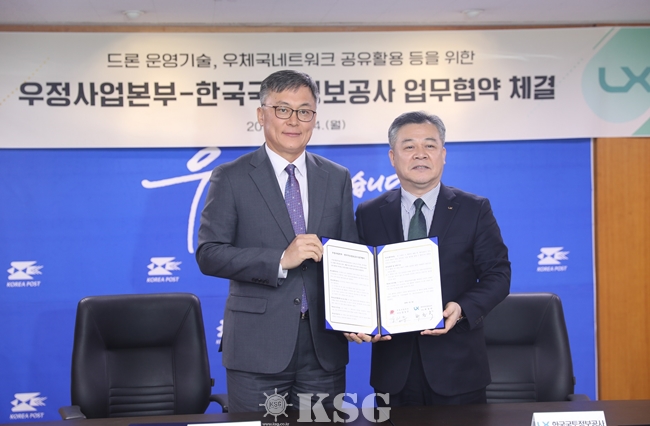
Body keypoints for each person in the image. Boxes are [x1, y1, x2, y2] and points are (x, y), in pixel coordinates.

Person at [196, 70, 358, 413]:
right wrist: (280, 260)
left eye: (305, 111)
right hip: (257, 347)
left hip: (323, 349)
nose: (294, 120)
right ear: (261, 114)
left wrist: (359, 314)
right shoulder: (231, 176)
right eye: (283, 109)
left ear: (315, 117)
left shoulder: (337, 177)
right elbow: (209, 254)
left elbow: (349, 255)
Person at [349, 111, 511, 406]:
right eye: (409, 146)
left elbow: (498, 275)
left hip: (458, 369)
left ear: (443, 155)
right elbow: (358, 280)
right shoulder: (369, 213)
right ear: (392, 157)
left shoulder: (474, 209)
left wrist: (461, 308)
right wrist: (359, 319)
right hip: (393, 370)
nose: (420, 154)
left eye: (430, 145)